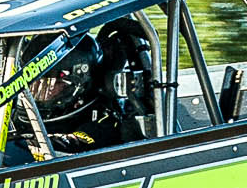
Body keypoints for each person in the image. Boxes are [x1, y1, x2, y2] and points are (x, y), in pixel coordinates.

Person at [27, 21, 155, 152]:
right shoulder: (28, 110)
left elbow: (73, 143)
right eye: (36, 84)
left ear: (77, 85)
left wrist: (24, 143)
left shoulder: (101, 122)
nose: (40, 92)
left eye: (51, 84)